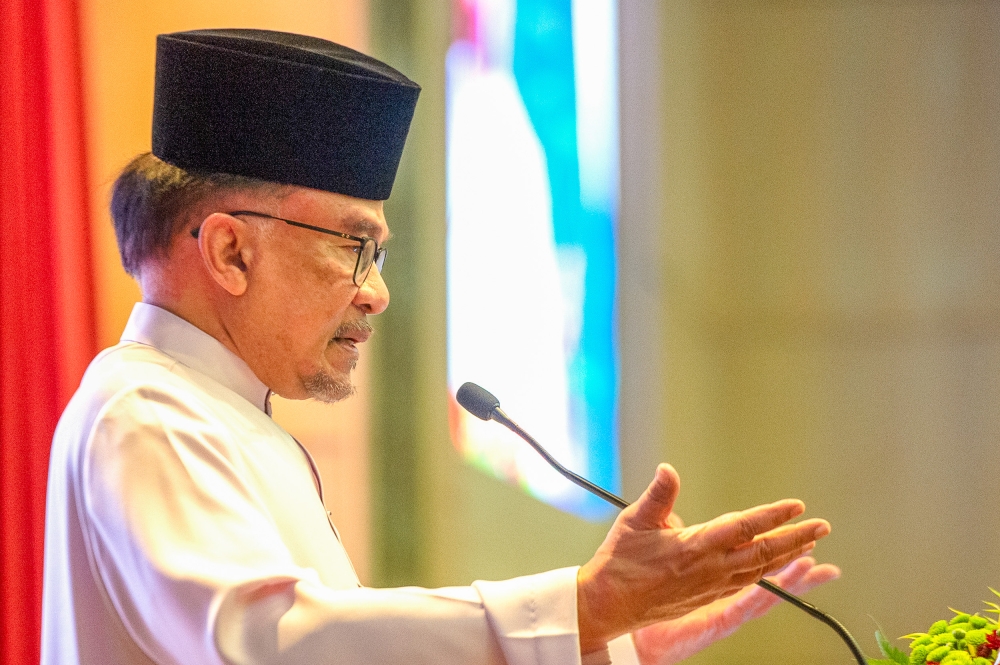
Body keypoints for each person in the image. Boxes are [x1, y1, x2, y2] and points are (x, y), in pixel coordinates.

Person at [40, 29, 839, 665]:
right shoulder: (143, 409)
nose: (376, 291)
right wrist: (579, 608)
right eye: (354, 246)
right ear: (229, 253)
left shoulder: (222, 415)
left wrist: (602, 643)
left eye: (378, 255)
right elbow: (266, 643)